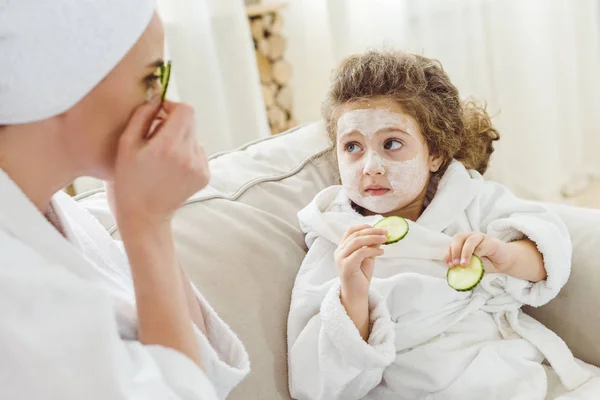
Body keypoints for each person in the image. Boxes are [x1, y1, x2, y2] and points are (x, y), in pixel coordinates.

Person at [287, 50, 600, 399]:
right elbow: (316, 382)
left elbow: (548, 250)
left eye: (391, 144)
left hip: (509, 370)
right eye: (353, 147)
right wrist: (353, 297)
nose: (370, 165)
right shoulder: (335, 238)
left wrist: (507, 255)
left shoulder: (469, 198)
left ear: (434, 154)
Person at [0, 1, 248, 398]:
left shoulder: (56, 212)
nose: (165, 105)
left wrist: (147, 220)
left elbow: (201, 372)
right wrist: (147, 227)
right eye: (151, 77)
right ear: (61, 81)